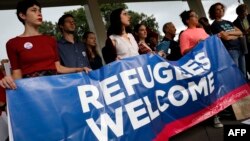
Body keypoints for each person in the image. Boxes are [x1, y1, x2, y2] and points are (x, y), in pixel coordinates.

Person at [0, 0, 85, 90]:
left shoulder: (50, 40)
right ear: (22, 15)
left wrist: (78, 69)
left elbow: (58, 67)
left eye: (40, 11)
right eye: (34, 10)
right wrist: (6, 80)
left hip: (56, 88)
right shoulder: (12, 44)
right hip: (32, 91)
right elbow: (17, 75)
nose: (39, 13)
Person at [179, 10, 223, 128]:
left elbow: (210, 42)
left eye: (196, 15)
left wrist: (216, 38)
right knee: (207, 90)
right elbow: (184, 52)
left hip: (210, 61)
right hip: (198, 65)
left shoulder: (201, 30)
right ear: (187, 20)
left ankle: (217, 112)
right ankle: (214, 116)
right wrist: (196, 45)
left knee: (215, 87)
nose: (197, 17)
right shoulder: (184, 34)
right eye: (194, 16)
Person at [209, 2, 246, 77]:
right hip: (230, 50)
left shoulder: (228, 22)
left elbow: (240, 32)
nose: (221, 10)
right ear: (214, 12)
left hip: (240, 49)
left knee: (243, 74)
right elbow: (226, 38)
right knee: (236, 74)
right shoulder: (214, 25)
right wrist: (236, 35)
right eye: (218, 9)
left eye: (222, 8)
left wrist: (228, 33)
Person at [233, 4, 250, 79]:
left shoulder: (249, 17)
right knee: (248, 63)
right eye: (243, 12)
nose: (246, 14)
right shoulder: (234, 23)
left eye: (246, 11)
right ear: (239, 13)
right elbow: (237, 35)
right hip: (244, 46)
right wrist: (244, 33)